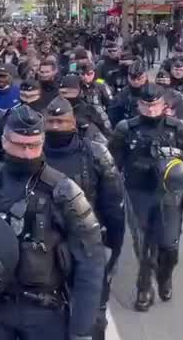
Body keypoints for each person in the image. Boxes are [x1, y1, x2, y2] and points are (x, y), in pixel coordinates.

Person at [0, 105, 106, 340]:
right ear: (4, 141)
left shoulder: (64, 192)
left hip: (46, 310)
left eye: (33, 145)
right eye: (20, 145)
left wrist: (82, 327)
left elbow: (91, 260)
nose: (27, 154)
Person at [108, 83, 183, 311]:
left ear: (164, 105)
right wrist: (109, 194)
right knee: (143, 245)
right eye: (146, 105)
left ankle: (165, 275)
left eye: (155, 105)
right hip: (137, 193)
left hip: (170, 195)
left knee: (169, 245)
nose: (150, 110)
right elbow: (110, 165)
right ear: (139, 105)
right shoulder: (126, 129)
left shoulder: (179, 129)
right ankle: (144, 288)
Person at [42, 96, 125, 340]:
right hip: (43, 247)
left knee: (92, 320)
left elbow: (113, 207)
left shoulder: (95, 154)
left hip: (88, 245)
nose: (55, 127)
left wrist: (113, 249)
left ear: (73, 123)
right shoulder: (34, 153)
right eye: (51, 122)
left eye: (61, 121)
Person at [108, 61, 148, 126]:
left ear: (145, 76)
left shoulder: (153, 92)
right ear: (128, 77)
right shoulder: (123, 94)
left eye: (139, 79)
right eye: (133, 79)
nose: (136, 82)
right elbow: (113, 114)